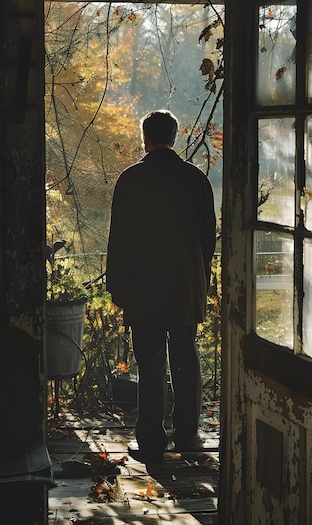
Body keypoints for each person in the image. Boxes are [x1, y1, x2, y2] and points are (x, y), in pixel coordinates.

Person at [106, 109, 217, 464]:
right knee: (185, 354)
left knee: (150, 361)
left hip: (143, 284)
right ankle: (187, 432)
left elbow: (118, 238)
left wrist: (117, 286)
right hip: (186, 283)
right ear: (175, 136)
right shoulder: (196, 179)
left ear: (145, 138)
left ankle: (151, 439)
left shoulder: (131, 179)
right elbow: (207, 238)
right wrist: (203, 280)